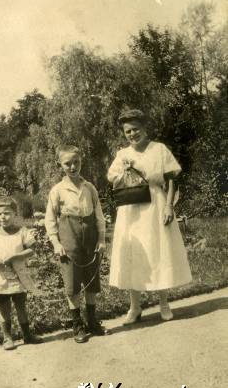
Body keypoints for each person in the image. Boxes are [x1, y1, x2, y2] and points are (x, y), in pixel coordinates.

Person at [108, 109, 192, 324]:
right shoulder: (122, 154)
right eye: (128, 131)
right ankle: (134, 307)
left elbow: (171, 178)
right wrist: (126, 171)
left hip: (155, 203)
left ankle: (163, 303)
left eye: (136, 129)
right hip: (131, 208)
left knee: (158, 251)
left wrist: (169, 207)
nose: (132, 134)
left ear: (145, 128)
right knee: (133, 253)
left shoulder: (159, 149)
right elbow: (112, 179)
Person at [45, 145, 109, 343]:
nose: (72, 167)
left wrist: (101, 239)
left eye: (76, 162)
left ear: (81, 162)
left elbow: (98, 215)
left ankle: (92, 320)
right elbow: (50, 219)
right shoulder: (57, 190)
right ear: (60, 165)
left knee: (91, 279)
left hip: (90, 237)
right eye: (67, 163)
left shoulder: (89, 188)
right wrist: (56, 242)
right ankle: (77, 324)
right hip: (69, 237)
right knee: (72, 282)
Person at [0, 197, 42, 350]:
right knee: (4, 308)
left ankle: (27, 335)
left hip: (18, 276)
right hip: (0, 277)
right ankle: (7, 337)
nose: (3, 217)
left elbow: (31, 250)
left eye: (7, 213)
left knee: (21, 305)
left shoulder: (22, 232)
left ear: (15, 214)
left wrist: (16, 256)